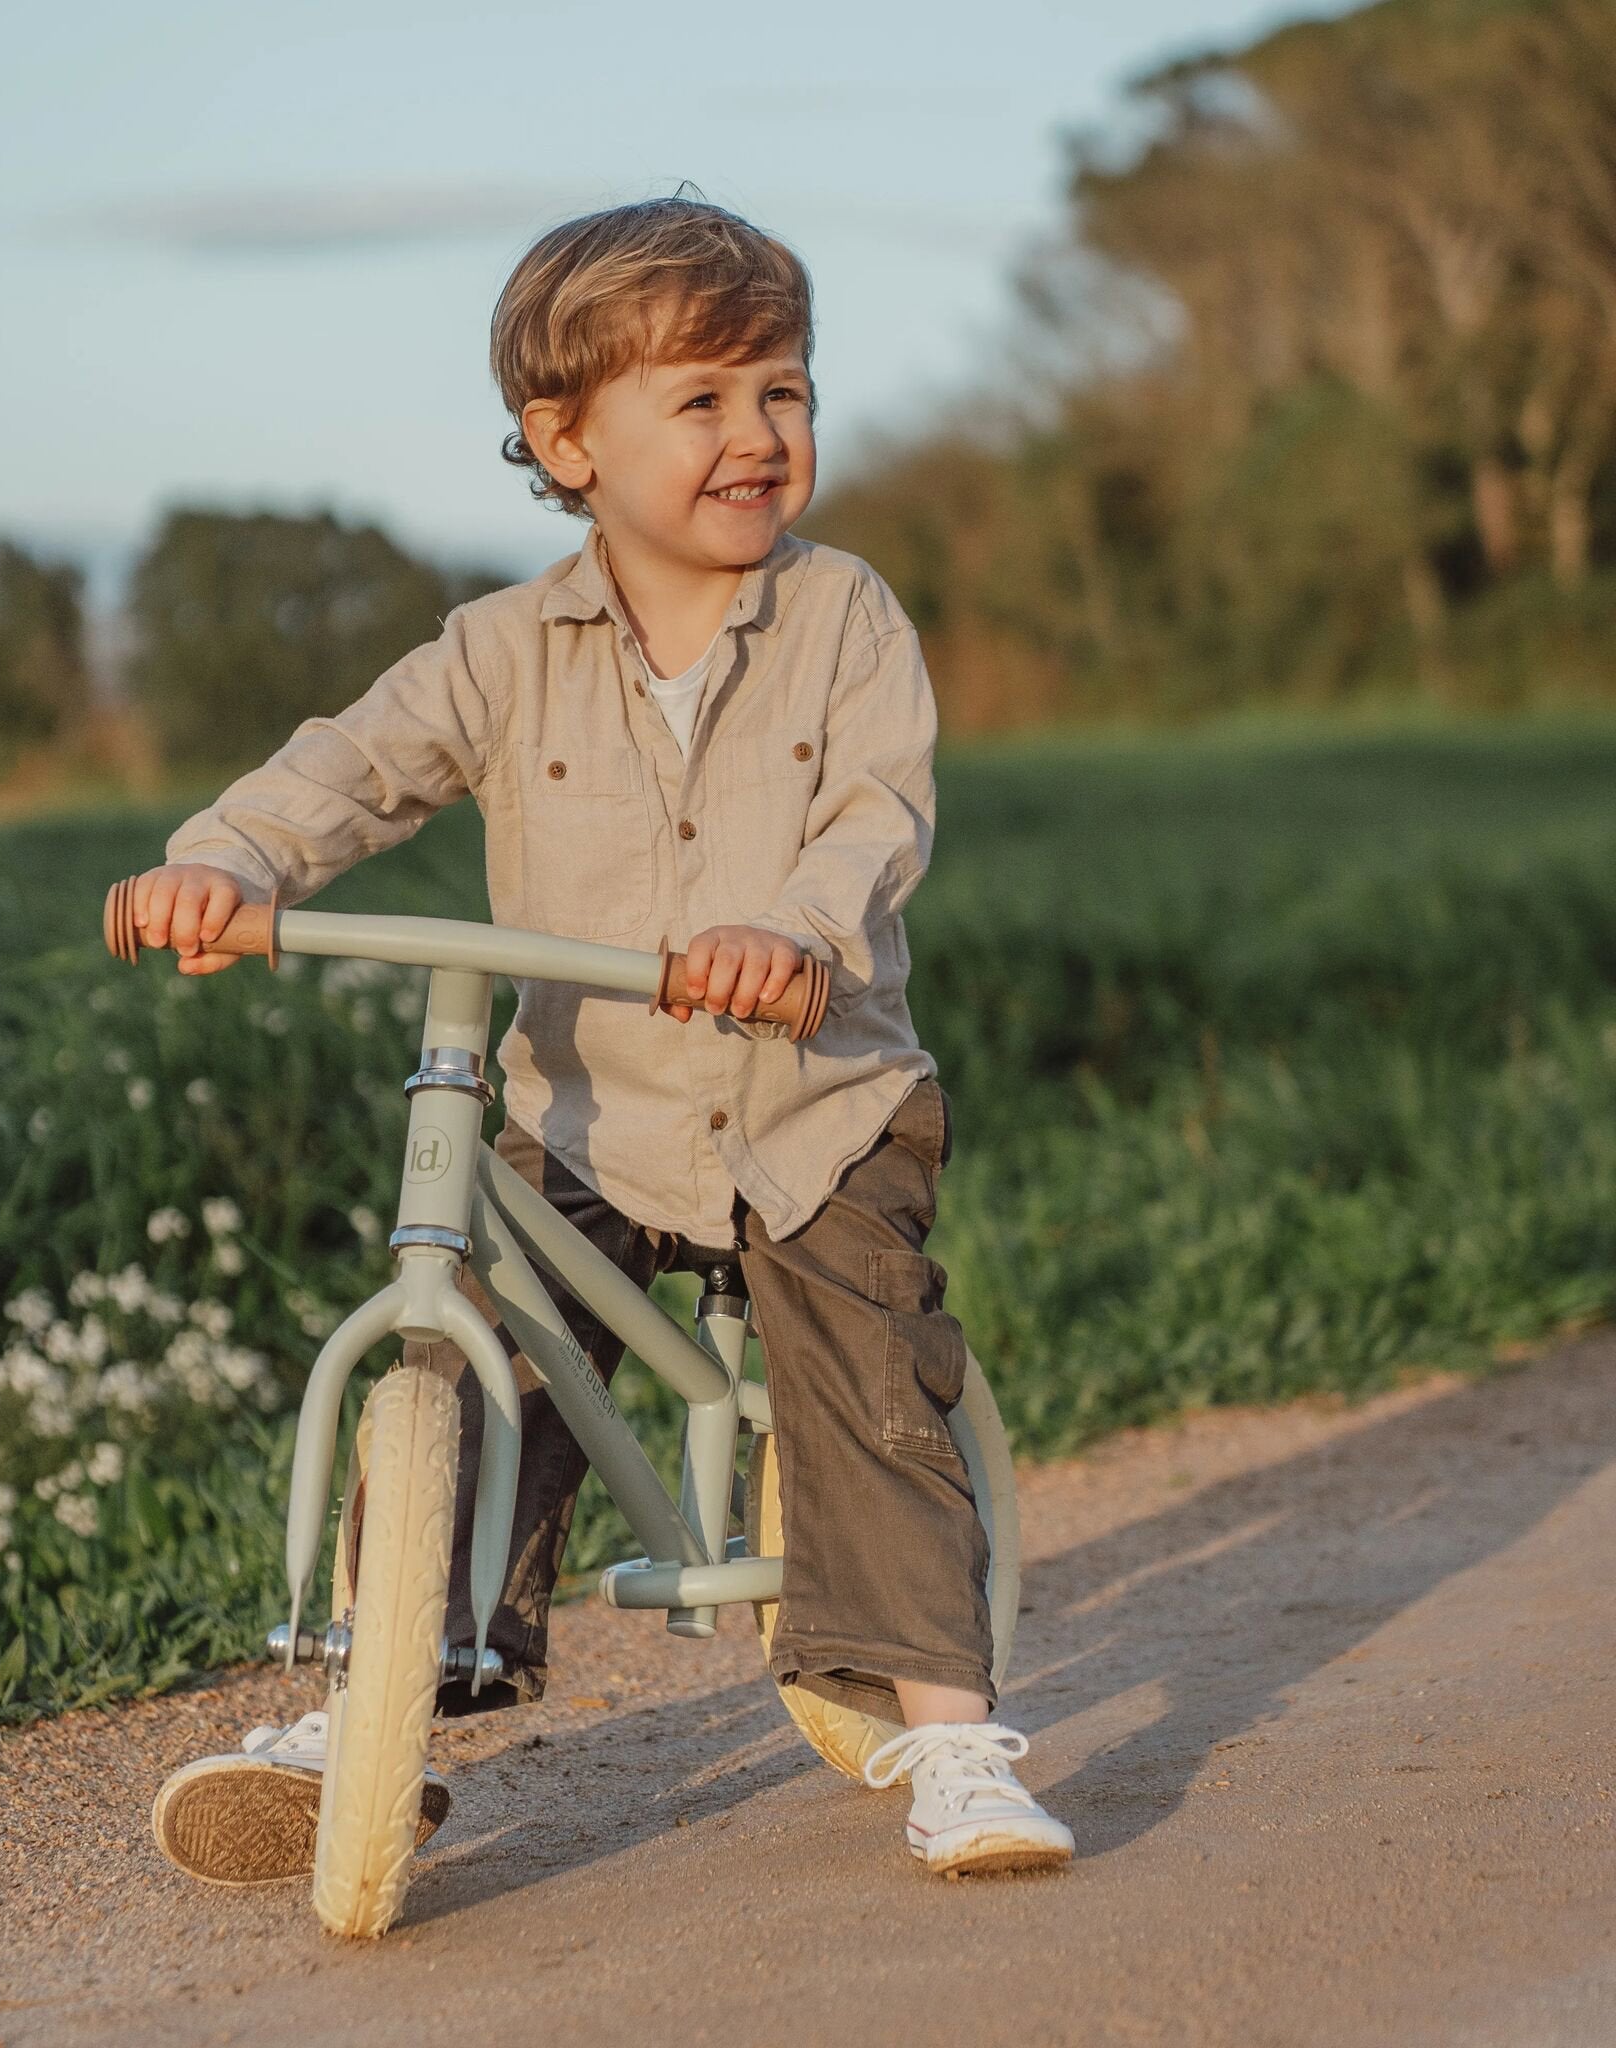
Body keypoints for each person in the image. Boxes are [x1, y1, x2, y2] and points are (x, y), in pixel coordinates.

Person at [139, 194, 1074, 1886]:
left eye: (782, 391)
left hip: (814, 1101)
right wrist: (227, 860)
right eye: (702, 400)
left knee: (863, 1376)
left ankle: (952, 1735)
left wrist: (788, 930)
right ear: (564, 442)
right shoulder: (503, 650)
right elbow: (355, 765)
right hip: (588, 1113)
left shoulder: (847, 615)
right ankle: (383, 1703)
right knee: (470, 1362)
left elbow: (874, 816)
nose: (757, 434)